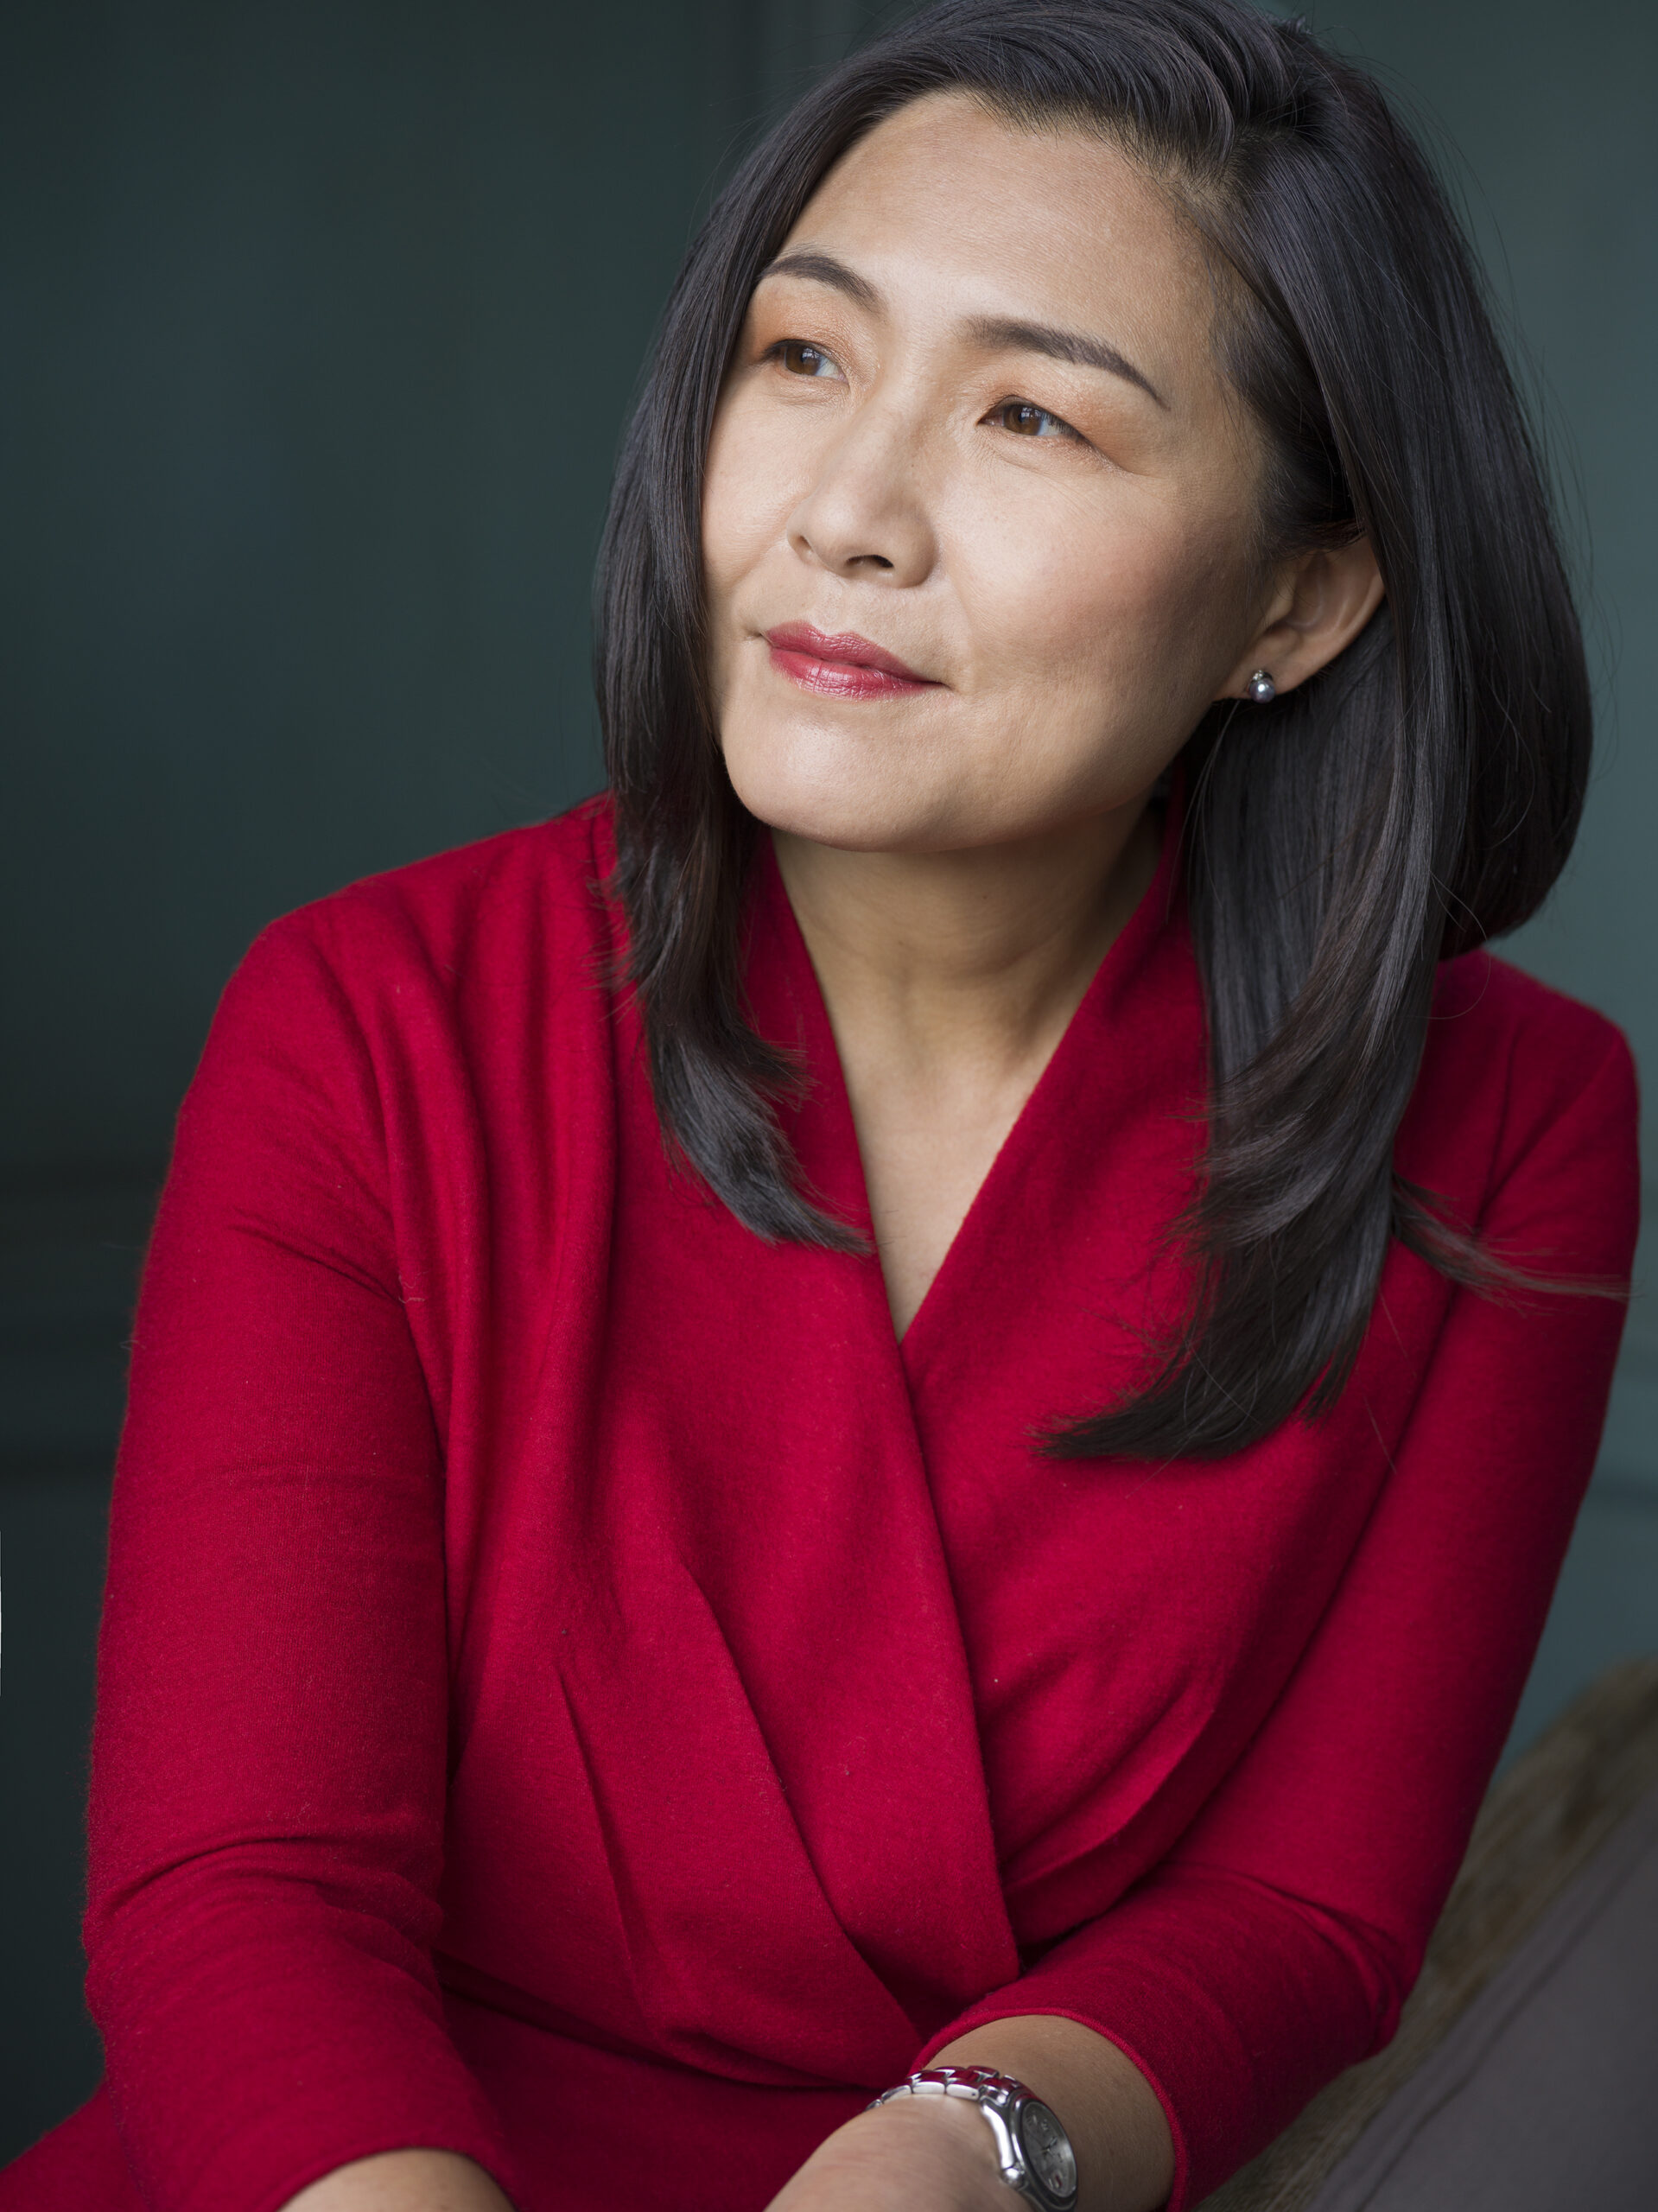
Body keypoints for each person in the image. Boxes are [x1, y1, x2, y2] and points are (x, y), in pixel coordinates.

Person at [3, 3, 1639, 2209]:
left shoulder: (1514, 1117)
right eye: (802, 357)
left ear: (1297, 592)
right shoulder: (370, 1024)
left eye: (1031, 413)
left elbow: (1305, 1910)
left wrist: (964, 2152)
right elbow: (244, 1905)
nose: (846, 514)